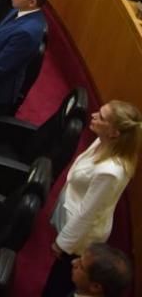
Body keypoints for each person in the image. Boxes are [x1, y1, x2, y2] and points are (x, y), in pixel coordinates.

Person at [41, 100, 141, 297]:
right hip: (73, 214)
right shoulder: (104, 141)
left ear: (114, 133)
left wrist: (63, 243)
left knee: (63, 280)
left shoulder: (111, 172)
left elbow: (87, 213)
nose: (94, 115)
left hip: (81, 235)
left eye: (102, 117)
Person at [67, 243, 134, 297]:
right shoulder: (82, 290)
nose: (73, 262)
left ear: (95, 287)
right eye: (79, 258)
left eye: (81, 266)